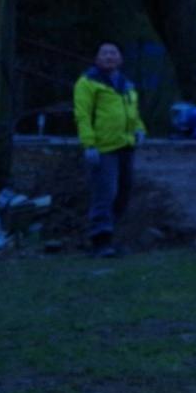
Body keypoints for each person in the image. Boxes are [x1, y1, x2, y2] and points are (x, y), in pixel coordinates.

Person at [74, 41, 144, 256]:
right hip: (103, 148)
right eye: (104, 53)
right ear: (97, 59)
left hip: (126, 145)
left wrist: (140, 129)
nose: (109, 57)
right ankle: (100, 240)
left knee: (123, 192)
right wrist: (89, 144)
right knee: (105, 193)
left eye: (113, 53)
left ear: (120, 59)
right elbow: (82, 114)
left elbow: (133, 112)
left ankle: (111, 236)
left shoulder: (126, 85)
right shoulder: (88, 83)